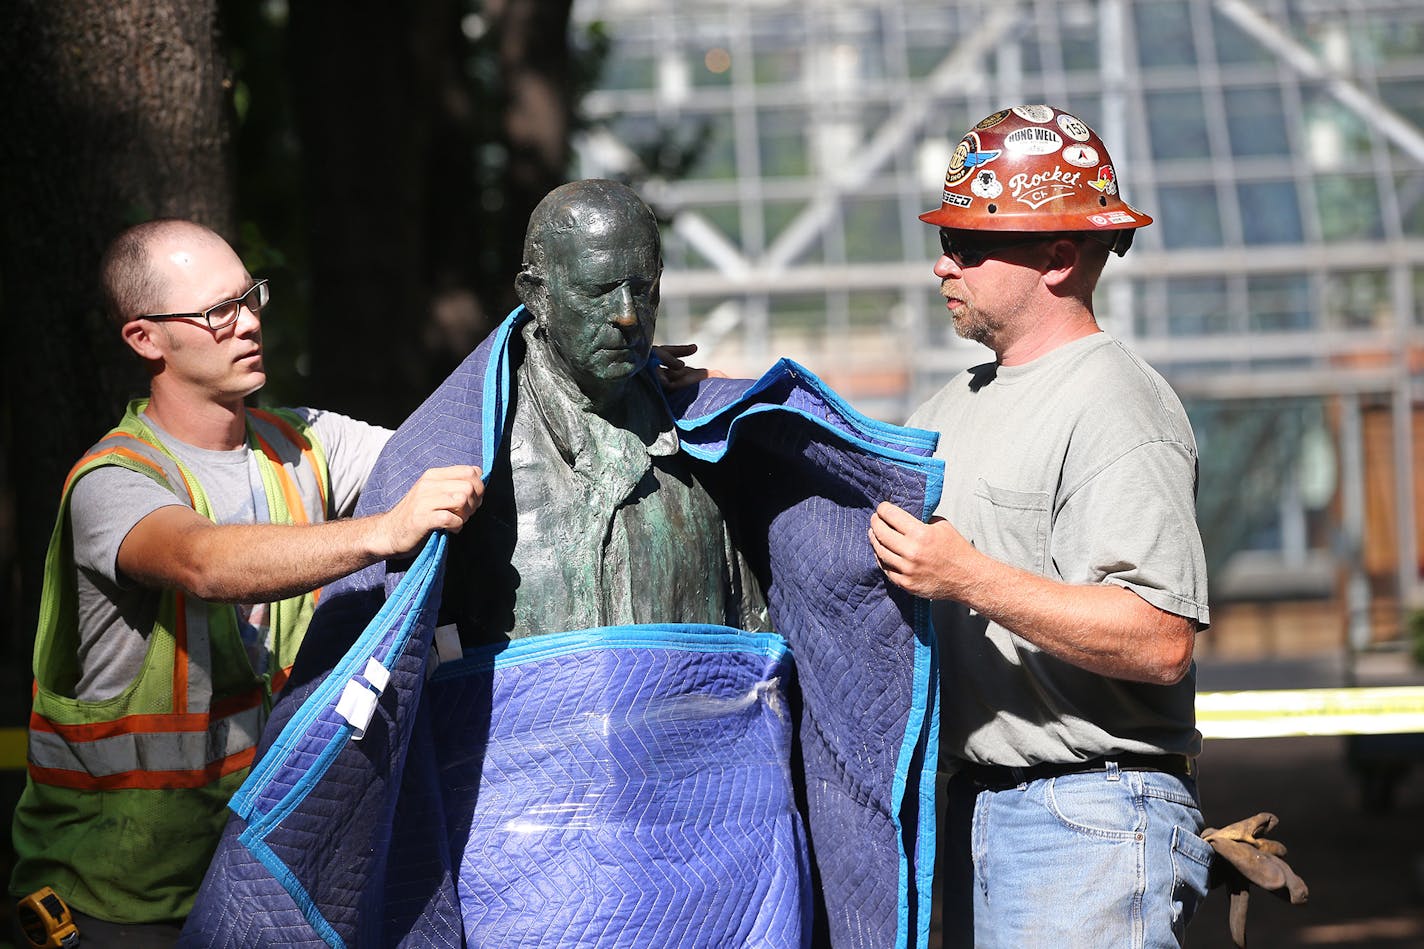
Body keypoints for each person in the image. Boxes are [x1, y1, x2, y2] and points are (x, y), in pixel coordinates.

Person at [10, 219, 484, 945]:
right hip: (118, 908)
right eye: (217, 312)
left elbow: (460, 443)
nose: (249, 322)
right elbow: (204, 561)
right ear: (145, 339)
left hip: (260, 884)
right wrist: (382, 529)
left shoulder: (305, 445)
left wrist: (597, 378)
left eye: (250, 297)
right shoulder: (112, 483)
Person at [867, 105, 1212, 947]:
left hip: (1090, 815)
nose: (944, 263)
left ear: (1060, 257)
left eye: (971, 243)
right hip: (979, 814)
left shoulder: (1114, 402)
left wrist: (967, 575)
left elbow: (1160, 637)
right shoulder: (947, 409)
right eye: (945, 238)